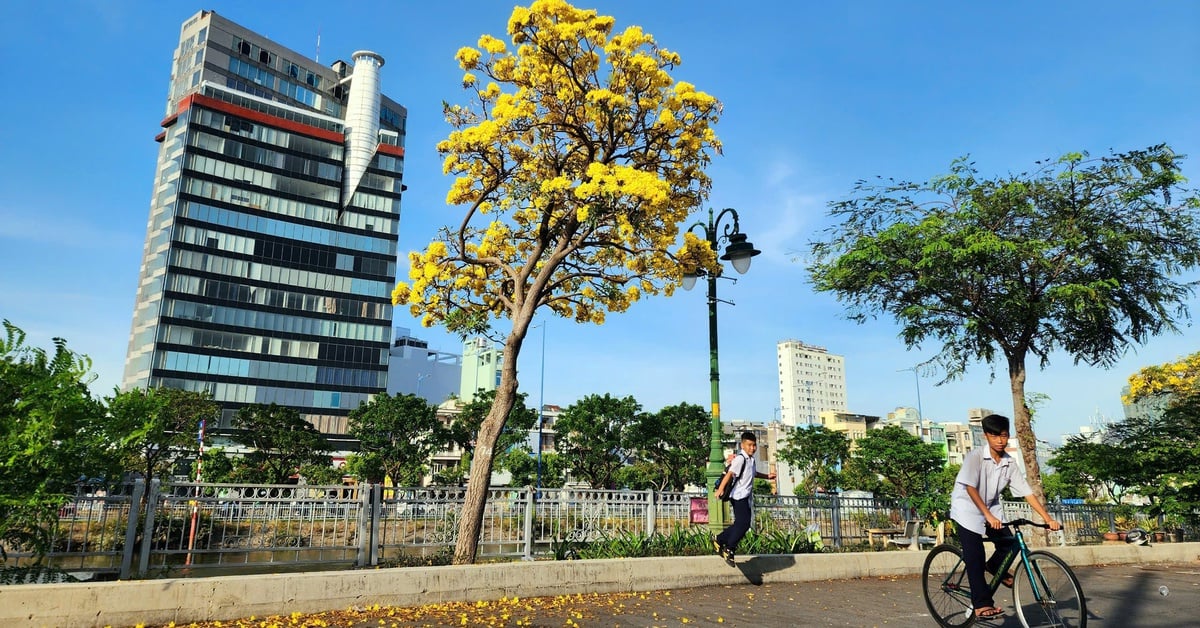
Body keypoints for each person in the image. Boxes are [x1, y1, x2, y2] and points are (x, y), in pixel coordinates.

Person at [949, 413, 1062, 619]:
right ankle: (981, 605)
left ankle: (994, 566)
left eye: (1003, 436)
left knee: (1010, 543)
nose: (1000, 441)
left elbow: (1027, 492)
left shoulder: (1009, 463)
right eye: (994, 436)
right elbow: (971, 488)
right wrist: (986, 515)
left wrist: (1047, 518)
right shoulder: (975, 457)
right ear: (986, 436)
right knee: (975, 555)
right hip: (966, 508)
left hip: (991, 508)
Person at [712, 431, 776, 565]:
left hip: (745, 497)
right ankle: (729, 548)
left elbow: (753, 474)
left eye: (754, 445)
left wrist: (767, 477)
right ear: (742, 445)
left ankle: (720, 539)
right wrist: (720, 489)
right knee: (743, 523)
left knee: (742, 524)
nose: (752, 448)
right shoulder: (740, 459)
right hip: (738, 496)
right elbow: (730, 474)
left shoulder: (751, 460)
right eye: (749, 445)